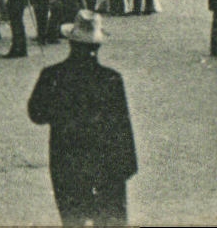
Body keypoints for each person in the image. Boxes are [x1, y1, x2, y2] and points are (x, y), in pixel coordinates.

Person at [28, 12, 136, 226]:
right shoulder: (111, 79)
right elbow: (123, 127)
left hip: (67, 162)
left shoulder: (52, 75)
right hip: (107, 166)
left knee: (73, 220)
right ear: (97, 47)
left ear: (71, 42)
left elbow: (36, 114)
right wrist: (127, 166)